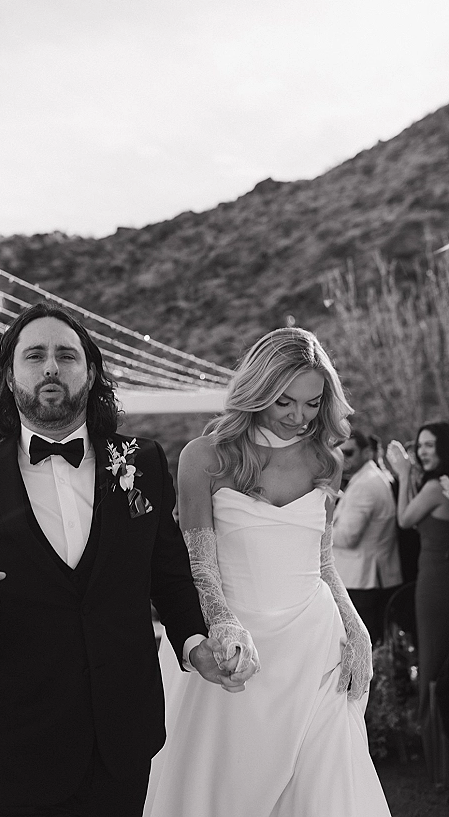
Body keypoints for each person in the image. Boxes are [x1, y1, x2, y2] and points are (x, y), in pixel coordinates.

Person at [0, 302, 249, 817]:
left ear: (90, 374)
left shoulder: (142, 462)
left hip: (122, 746)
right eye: (34, 356)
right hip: (16, 753)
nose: (51, 367)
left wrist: (194, 643)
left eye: (66, 356)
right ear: (9, 376)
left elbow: (169, 576)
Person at [144, 327, 391, 817]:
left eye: (313, 403)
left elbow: (323, 563)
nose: (300, 417)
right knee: (221, 794)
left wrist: (356, 628)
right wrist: (222, 624)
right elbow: (199, 564)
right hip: (236, 650)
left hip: (316, 649)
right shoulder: (203, 457)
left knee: (328, 796)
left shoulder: (327, 459)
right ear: (257, 390)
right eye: (285, 402)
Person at [387, 422, 449, 781]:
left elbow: (404, 518)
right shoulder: (440, 485)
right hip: (436, 580)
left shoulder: (436, 487)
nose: (423, 451)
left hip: (436, 585)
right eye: (420, 445)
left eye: (430, 445)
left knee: (431, 666)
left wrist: (404, 472)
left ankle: (439, 764)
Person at [332, 429, 402, 644]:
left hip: (363, 581)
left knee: (361, 647)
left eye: (349, 452)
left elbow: (347, 537)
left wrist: (317, 527)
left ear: (367, 452)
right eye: (340, 452)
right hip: (368, 579)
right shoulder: (368, 478)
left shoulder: (365, 484)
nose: (344, 458)